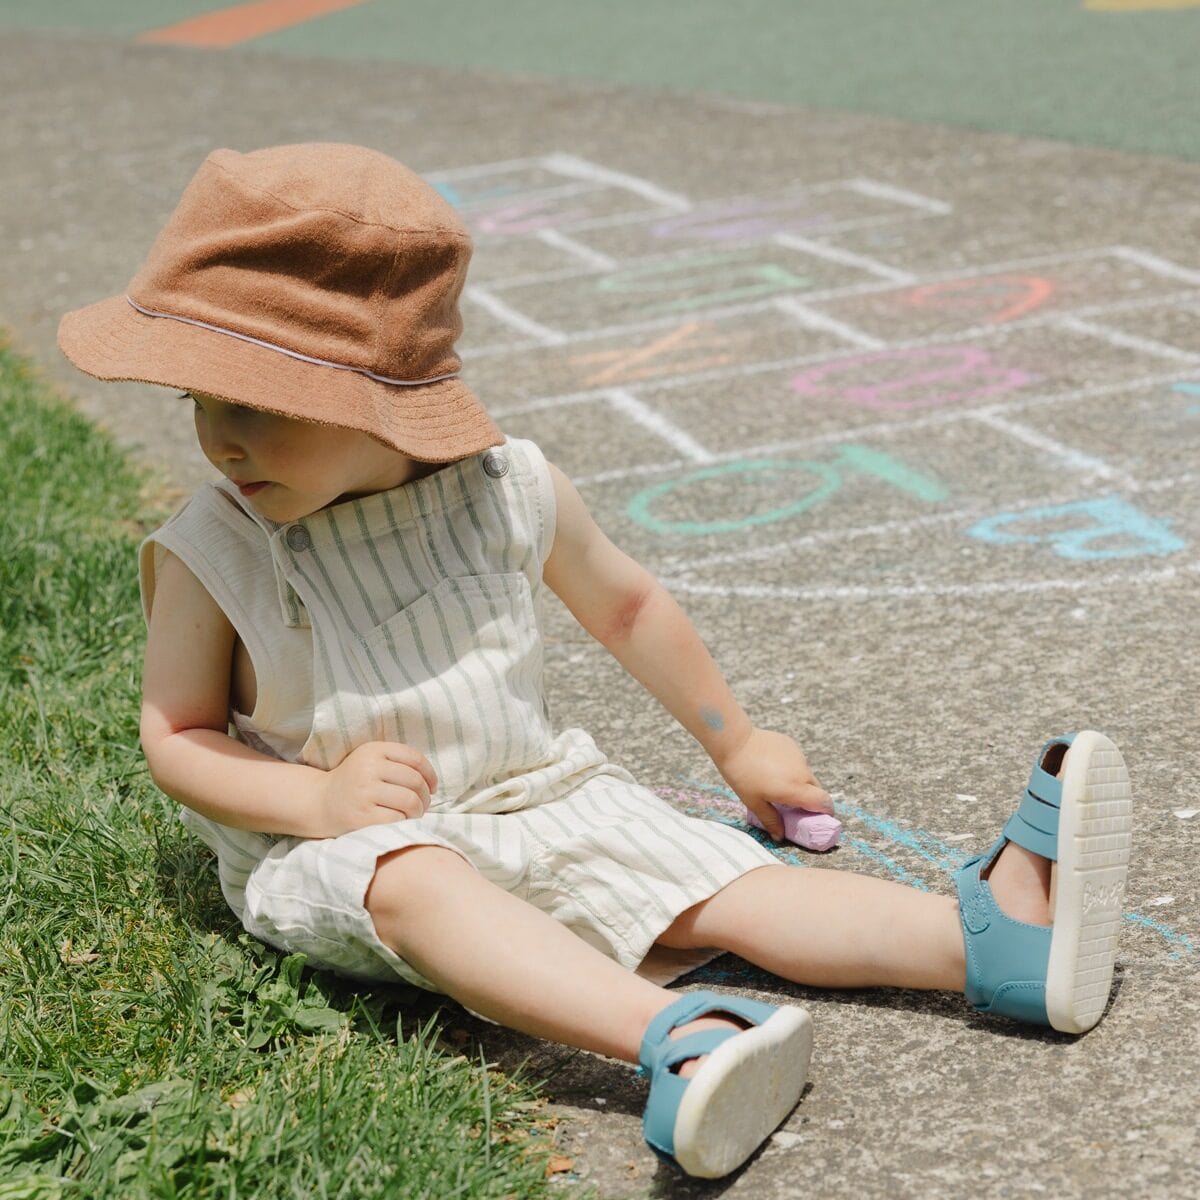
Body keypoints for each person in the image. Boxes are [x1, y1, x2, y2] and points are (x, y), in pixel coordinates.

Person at [57, 143, 1133, 1180]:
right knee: (423, 885)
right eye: (199, 401)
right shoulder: (220, 548)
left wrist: (741, 742)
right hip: (345, 843)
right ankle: (684, 1038)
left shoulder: (506, 488)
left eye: (256, 405)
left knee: (722, 884)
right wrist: (320, 800)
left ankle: (993, 943)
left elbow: (626, 606)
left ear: (379, 398)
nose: (222, 440)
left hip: (538, 796)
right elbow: (178, 738)